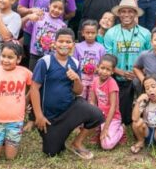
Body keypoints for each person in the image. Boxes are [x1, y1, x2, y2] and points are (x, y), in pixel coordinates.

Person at [29, 28, 105, 159]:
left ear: (73, 44)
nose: (64, 45)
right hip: (49, 117)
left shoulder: (74, 63)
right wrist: (39, 116)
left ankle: (77, 143)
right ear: (54, 43)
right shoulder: (45, 62)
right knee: (52, 152)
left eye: (68, 42)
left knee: (97, 115)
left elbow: (78, 91)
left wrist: (76, 78)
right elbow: (34, 89)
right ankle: (59, 135)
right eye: (61, 41)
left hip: (69, 110)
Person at [103, 0, 152, 126]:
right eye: (123, 11)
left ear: (135, 14)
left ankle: (145, 113)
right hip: (118, 76)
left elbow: (150, 57)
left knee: (141, 88)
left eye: (130, 11)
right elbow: (107, 59)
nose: (126, 15)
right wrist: (120, 72)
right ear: (118, 14)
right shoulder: (111, 33)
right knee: (124, 119)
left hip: (139, 77)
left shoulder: (145, 33)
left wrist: (140, 73)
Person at [89, 54, 124, 150]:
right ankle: (98, 130)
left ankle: (121, 130)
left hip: (112, 118)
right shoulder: (95, 81)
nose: (104, 72)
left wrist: (105, 128)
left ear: (112, 71)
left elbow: (113, 107)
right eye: (102, 68)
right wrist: (92, 118)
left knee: (106, 145)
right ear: (97, 67)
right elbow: (92, 101)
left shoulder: (112, 84)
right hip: (100, 116)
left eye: (108, 70)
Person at [23, 0, 67, 71]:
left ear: (63, 11)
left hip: (51, 57)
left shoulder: (62, 26)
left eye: (60, 9)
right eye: (54, 7)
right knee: (32, 77)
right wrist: (28, 17)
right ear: (49, 5)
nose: (56, 10)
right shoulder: (40, 15)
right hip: (35, 54)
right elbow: (24, 26)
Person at [73, 19, 105, 99]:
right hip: (81, 79)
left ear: (97, 33)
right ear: (83, 33)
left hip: (95, 79)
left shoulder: (100, 47)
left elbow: (103, 64)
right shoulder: (78, 46)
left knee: (92, 100)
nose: (90, 35)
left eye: (93, 33)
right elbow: (75, 63)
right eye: (87, 33)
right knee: (80, 98)